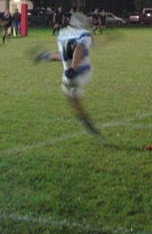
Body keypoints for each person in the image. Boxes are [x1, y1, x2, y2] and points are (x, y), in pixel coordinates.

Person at [33, 12, 102, 140]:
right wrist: (73, 68)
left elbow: (66, 55)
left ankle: (84, 118)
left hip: (71, 74)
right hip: (80, 71)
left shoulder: (62, 33)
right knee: (73, 95)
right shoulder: (84, 34)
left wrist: (46, 56)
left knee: (71, 93)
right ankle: (85, 119)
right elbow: (78, 48)